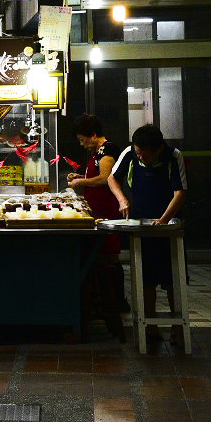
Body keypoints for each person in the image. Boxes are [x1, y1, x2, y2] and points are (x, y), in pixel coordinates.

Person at [108, 124, 188, 346]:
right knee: (146, 277)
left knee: (173, 278)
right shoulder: (130, 152)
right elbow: (112, 178)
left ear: (159, 149)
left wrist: (163, 221)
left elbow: (180, 193)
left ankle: (177, 329)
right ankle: (150, 327)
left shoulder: (174, 156)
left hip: (169, 226)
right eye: (139, 152)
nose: (141, 156)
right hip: (141, 224)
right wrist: (122, 199)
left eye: (146, 154)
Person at [68, 114, 129, 312]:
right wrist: (80, 176)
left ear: (93, 135)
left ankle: (118, 302)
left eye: (82, 139)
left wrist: (80, 182)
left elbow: (105, 178)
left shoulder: (107, 150)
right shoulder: (97, 153)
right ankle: (104, 299)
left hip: (108, 210)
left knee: (110, 255)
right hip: (98, 210)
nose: (82, 144)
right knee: (102, 254)